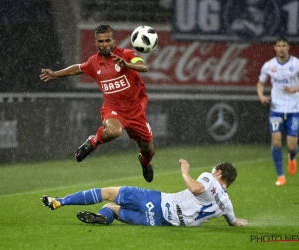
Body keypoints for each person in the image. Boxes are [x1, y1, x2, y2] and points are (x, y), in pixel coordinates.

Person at [40, 24, 155, 182]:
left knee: (148, 149)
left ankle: (145, 162)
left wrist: (128, 65)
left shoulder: (127, 54)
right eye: (101, 41)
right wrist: (55, 74)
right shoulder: (94, 62)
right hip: (113, 109)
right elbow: (78, 68)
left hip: (136, 112)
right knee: (114, 131)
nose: (105, 44)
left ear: (114, 41)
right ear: (95, 43)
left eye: (108, 40)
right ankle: (93, 142)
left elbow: (143, 66)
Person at [41, 159, 248, 227]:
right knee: (111, 209)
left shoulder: (210, 179)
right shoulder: (227, 204)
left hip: (158, 202)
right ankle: (103, 218)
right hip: (160, 222)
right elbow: (234, 221)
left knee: (107, 192)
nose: (212, 171)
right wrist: (241, 222)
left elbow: (195, 188)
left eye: (214, 169)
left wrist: (185, 170)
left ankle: (61, 201)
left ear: (219, 172)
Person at [257, 36, 299, 186]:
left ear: (288, 47)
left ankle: (292, 157)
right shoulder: (269, 65)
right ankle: (281, 176)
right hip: (276, 108)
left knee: (292, 146)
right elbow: (260, 83)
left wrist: (294, 88)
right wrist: (261, 95)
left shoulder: (296, 63)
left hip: (294, 107)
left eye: (284, 45)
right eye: (279, 45)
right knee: (276, 142)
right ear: (275, 48)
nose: (281, 48)